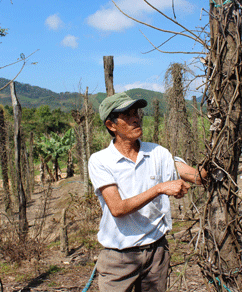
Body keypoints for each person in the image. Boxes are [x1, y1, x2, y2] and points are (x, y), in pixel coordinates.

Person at [88, 92, 206, 292]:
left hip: (156, 254)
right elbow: (117, 208)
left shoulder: (157, 153)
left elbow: (199, 177)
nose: (136, 118)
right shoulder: (100, 161)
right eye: (127, 115)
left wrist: (216, 152)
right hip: (119, 258)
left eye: (136, 113)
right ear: (111, 125)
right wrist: (160, 188)